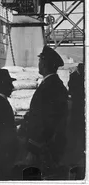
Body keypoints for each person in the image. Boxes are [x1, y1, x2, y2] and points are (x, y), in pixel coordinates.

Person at [24, 45, 68, 173]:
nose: (38, 64)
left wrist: (34, 147)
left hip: (43, 147)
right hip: (45, 144)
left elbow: (47, 120)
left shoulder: (50, 86)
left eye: (40, 61)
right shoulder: (51, 84)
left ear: (44, 64)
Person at [65, 62, 85, 165]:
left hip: (78, 105)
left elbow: (70, 90)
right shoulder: (75, 76)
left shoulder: (75, 76)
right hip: (79, 105)